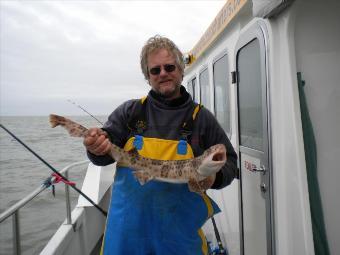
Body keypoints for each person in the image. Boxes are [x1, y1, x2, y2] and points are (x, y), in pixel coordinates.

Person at [83, 35, 238, 255]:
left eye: (169, 67)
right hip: (127, 236)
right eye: (155, 70)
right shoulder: (130, 112)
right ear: (148, 77)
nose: (163, 73)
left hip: (178, 237)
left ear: (181, 70)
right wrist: (94, 146)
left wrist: (215, 178)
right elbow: (103, 155)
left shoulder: (201, 118)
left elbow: (230, 162)